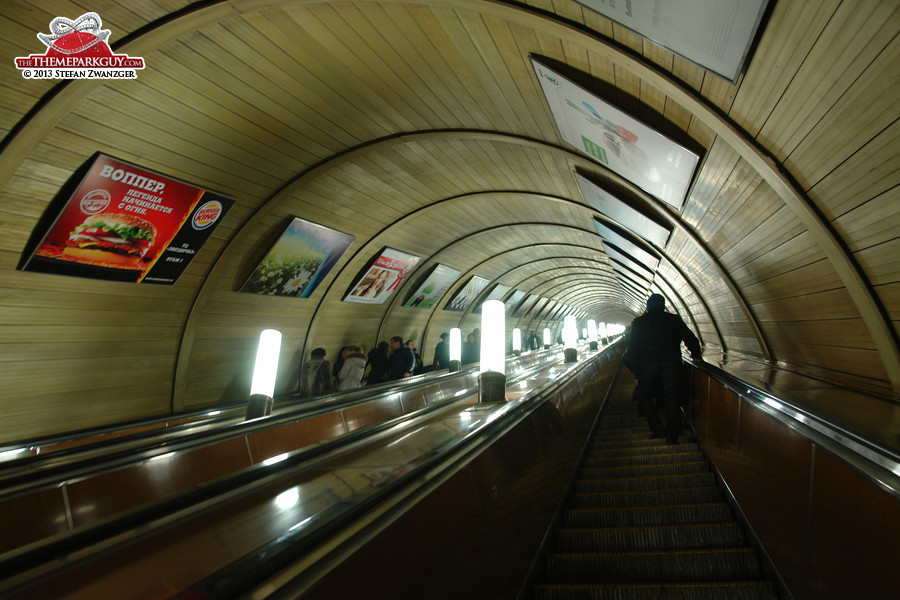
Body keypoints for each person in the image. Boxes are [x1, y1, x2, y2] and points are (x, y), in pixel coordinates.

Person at [624, 293, 702, 444]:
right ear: (663, 306)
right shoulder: (674, 320)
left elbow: (632, 350)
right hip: (672, 364)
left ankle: (657, 428)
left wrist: (637, 372)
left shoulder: (639, 323)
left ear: (648, 307)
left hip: (647, 366)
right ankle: (672, 434)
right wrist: (697, 357)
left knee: (643, 395)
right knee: (673, 396)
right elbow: (691, 340)